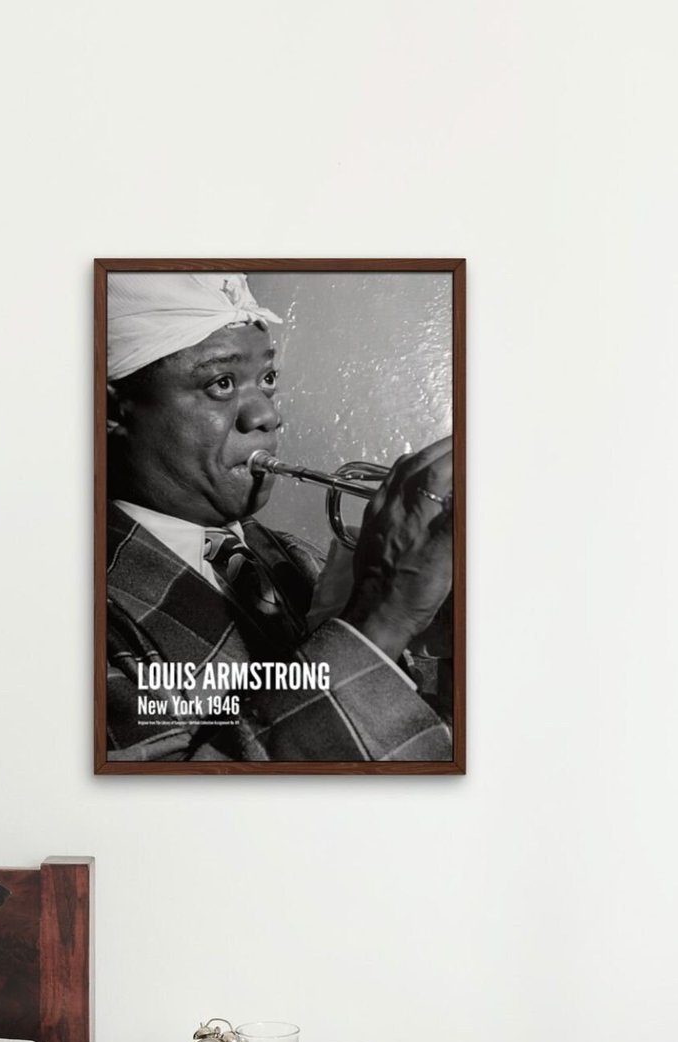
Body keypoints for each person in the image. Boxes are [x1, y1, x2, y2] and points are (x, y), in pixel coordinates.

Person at [103, 271, 454, 762]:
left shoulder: (299, 561)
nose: (266, 415)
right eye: (221, 383)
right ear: (113, 410)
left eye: (267, 379)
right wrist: (381, 617)